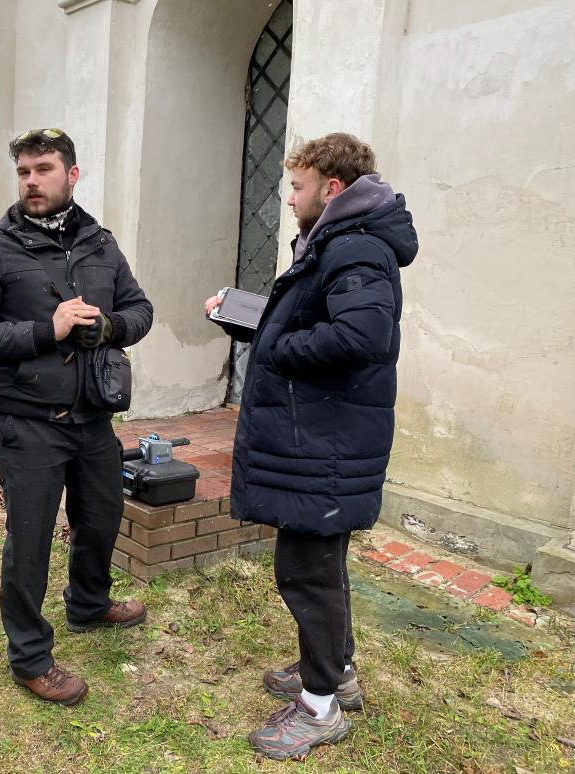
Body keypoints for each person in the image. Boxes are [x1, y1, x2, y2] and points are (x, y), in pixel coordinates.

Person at [205, 133, 418, 760]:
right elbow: (314, 321)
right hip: (323, 441)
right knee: (322, 569)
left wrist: (275, 347)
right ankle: (336, 671)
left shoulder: (354, 246)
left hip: (326, 446)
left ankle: (320, 707)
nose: (289, 198)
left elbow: (359, 337)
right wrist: (246, 320)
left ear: (332, 188)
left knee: (306, 574)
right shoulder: (338, 241)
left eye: (297, 187)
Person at [0, 129, 154, 706]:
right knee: (31, 540)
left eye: (43, 169)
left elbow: (140, 309)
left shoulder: (100, 243)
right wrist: (49, 329)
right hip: (27, 422)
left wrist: (109, 327)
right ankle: (30, 656)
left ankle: (88, 604)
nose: (31, 181)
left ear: (72, 174)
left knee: (101, 519)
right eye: (24, 171)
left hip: (93, 419)